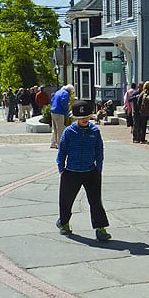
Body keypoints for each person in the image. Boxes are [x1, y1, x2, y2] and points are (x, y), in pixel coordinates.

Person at [55, 100, 111, 241]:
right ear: (75, 118)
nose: (85, 119)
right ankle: (64, 223)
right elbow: (62, 151)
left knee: (95, 201)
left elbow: (99, 150)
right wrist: (61, 168)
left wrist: (99, 168)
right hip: (71, 172)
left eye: (87, 117)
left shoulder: (95, 131)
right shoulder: (69, 132)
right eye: (81, 118)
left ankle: (100, 228)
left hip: (90, 171)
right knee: (66, 200)